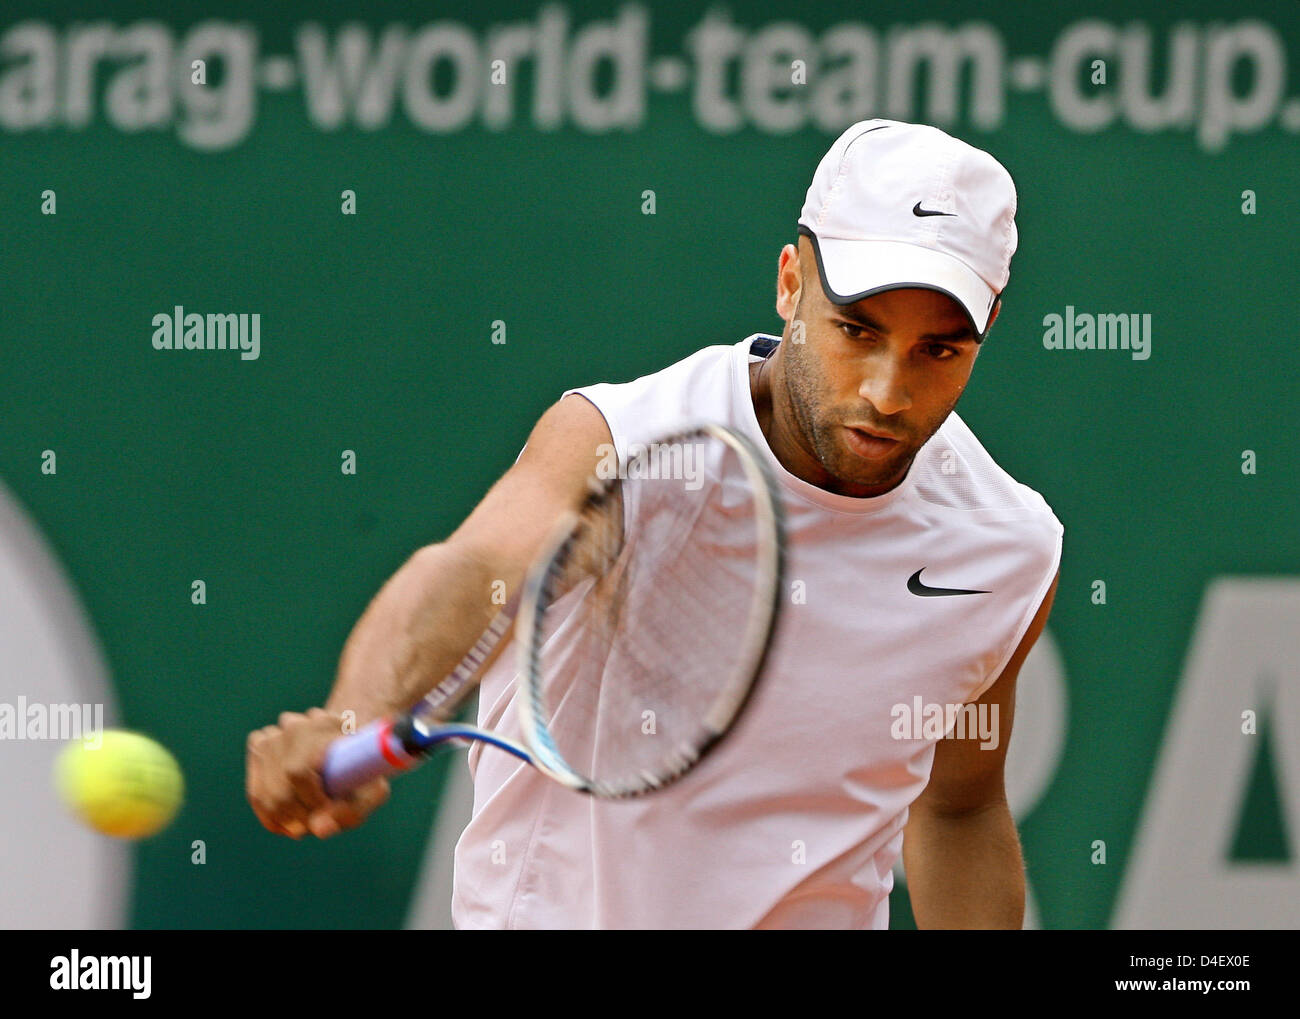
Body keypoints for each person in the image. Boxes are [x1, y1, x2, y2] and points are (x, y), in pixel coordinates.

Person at [246, 118, 1062, 929]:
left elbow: (959, 806)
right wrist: (356, 712)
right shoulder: (625, 447)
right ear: (790, 283)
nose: (887, 391)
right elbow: (475, 567)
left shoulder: (1005, 549)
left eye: (939, 351)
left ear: (987, 326)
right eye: (857, 330)